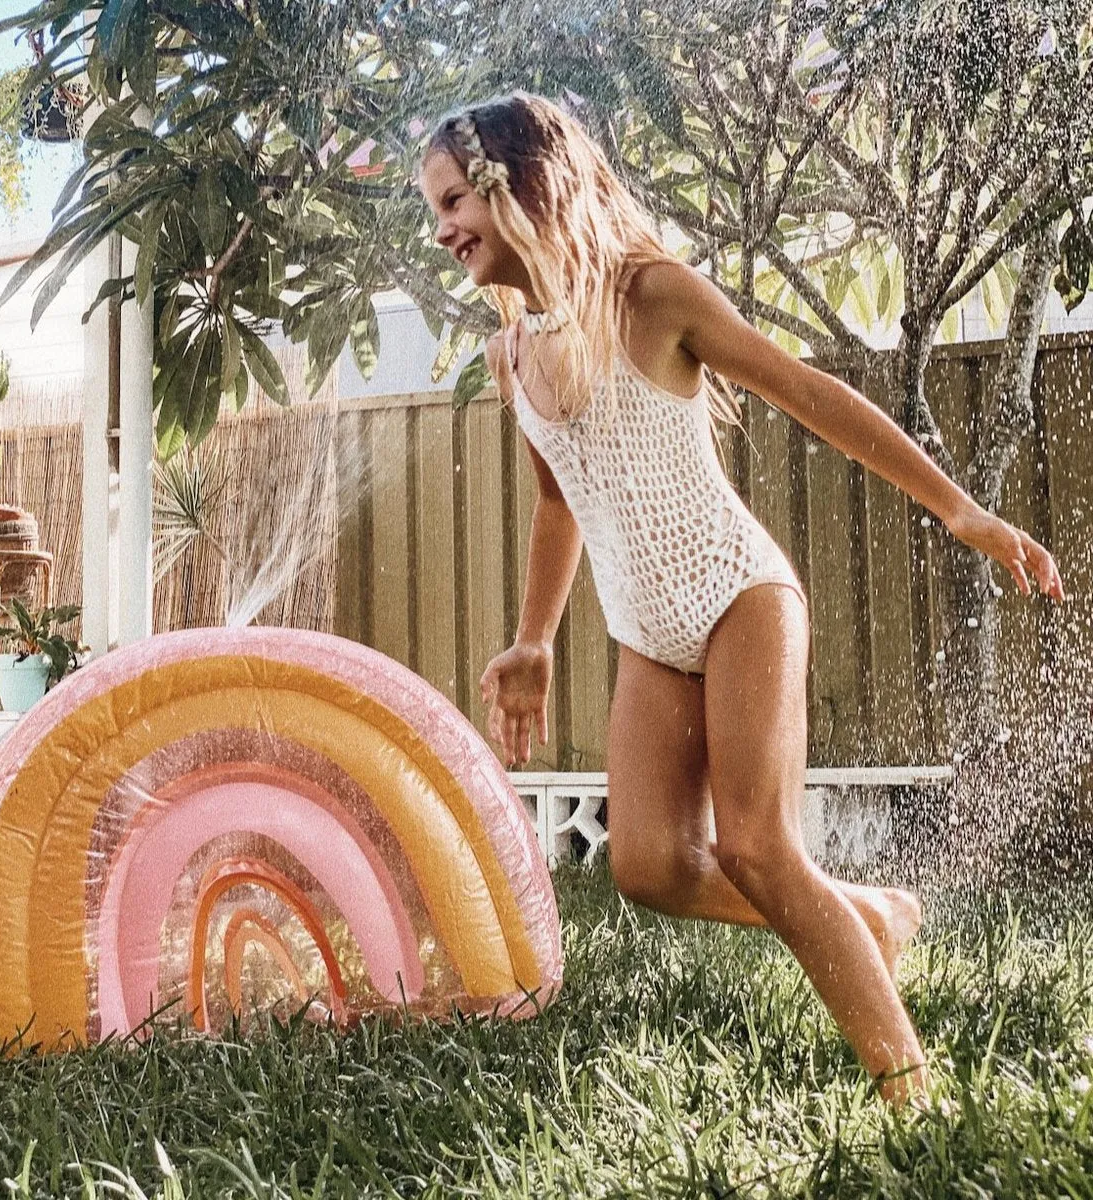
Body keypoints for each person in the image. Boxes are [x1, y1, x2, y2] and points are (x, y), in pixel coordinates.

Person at [417, 91, 1064, 1105]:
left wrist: (960, 511)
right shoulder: (511, 356)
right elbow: (557, 503)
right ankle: (871, 916)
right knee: (650, 871)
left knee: (756, 845)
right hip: (647, 632)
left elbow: (811, 394)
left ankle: (909, 1089)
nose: (443, 229)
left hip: (737, 595)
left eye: (455, 200)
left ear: (520, 186)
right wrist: (533, 639)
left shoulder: (652, 298)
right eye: (434, 210)